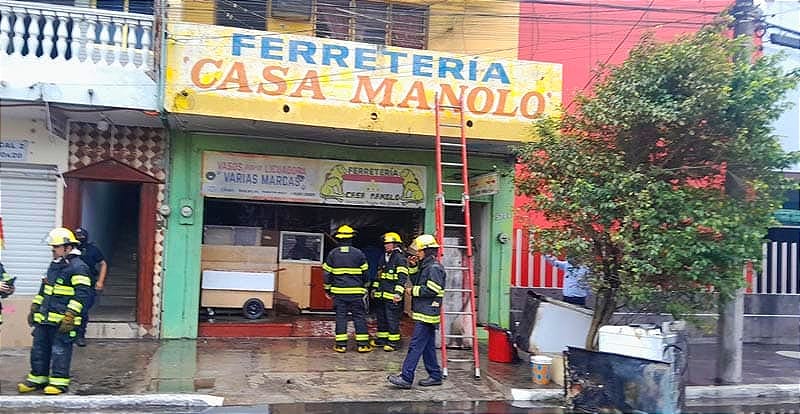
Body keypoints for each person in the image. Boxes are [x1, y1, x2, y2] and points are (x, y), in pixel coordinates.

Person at [18, 227, 92, 395]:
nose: (52, 251)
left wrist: (70, 315)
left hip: (63, 319)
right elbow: (45, 289)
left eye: (55, 247)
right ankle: (37, 378)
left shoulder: (79, 267)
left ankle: (59, 382)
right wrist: (35, 306)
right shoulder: (55, 265)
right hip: (45, 318)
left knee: (60, 350)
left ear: (67, 247)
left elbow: (82, 294)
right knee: (39, 349)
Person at [388, 234, 445, 389]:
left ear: (426, 251)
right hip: (424, 312)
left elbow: (433, 289)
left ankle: (406, 377)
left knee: (415, 345)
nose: (416, 254)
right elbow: (418, 280)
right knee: (427, 347)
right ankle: (435, 375)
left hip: (428, 313)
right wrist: (413, 267)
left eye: (419, 251)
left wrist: (413, 291)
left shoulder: (434, 268)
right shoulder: (426, 266)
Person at [323, 224, 372, 353]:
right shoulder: (359, 254)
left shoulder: (332, 254)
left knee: (341, 317)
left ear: (339, 238)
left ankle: (341, 345)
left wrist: (327, 289)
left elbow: (327, 274)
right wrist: (366, 286)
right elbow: (366, 273)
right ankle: (362, 345)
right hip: (356, 293)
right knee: (359, 317)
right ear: (351, 238)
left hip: (339, 294)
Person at [370, 232, 409, 352]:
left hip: (392, 295)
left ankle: (393, 342)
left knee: (392, 319)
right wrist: (375, 288)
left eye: (388, 243)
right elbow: (379, 275)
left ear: (395, 244)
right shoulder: (384, 257)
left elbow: (402, 278)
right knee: (382, 318)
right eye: (385, 243)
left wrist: (398, 293)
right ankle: (382, 339)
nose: (385, 245)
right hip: (381, 294)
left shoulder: (400, 258)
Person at [73, 228, 107, 347]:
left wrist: (100, 281)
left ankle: (80, 335)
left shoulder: (92, 250)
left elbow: (103, 263)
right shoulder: (70, 249)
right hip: (71, 285)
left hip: (88, 285)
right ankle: (71, 334)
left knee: (83, 311)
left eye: (81, 236)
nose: (79, 238)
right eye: (77, 236)